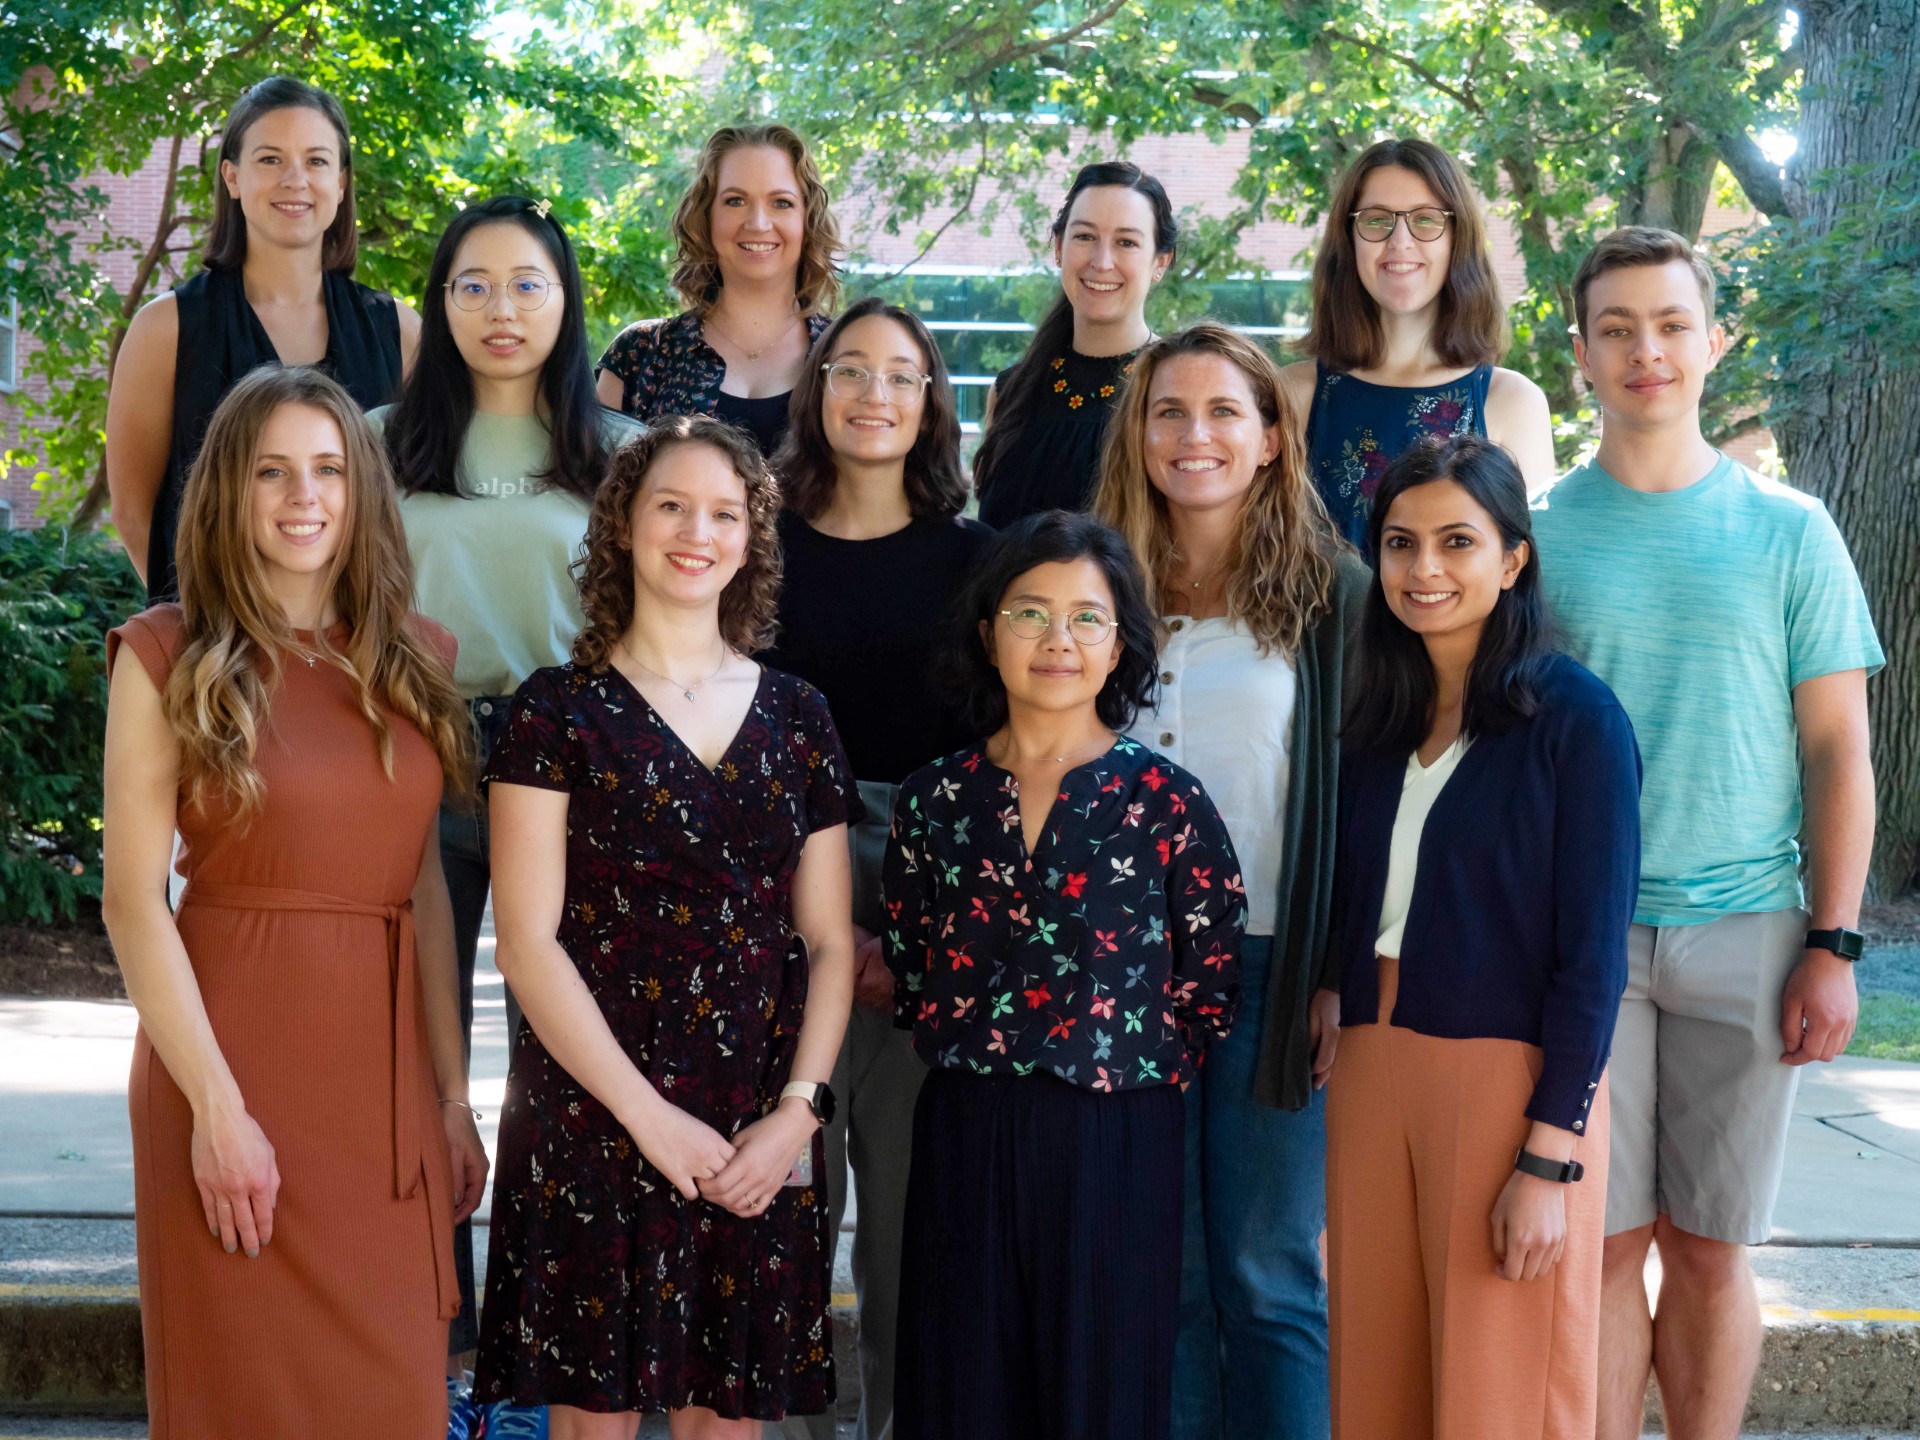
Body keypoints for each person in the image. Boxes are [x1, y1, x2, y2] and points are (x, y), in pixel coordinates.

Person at [1530, 227, 1883, 1440]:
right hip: (1587, 942)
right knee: (1609, 1240)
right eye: (1617, 328)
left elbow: (1840, 750)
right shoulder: (1535, 532)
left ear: (1714, 342)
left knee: (1715, 1246)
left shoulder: (1793, 529)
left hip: (1751, 929)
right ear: (1579, 353)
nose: (1647, 350)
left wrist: (1833, 943)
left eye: (1672, 324)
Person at [99, 365, 486, 1437]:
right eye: (272, 471)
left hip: (386, 1093)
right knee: (242, 1400)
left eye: (326, 469)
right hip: (227, 1072)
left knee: (394, 1398)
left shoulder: (418, 655)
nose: (302, 496)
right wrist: (218, 1112)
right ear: (228, 490)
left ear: (362, 490)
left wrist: (454, 1098)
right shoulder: (166, 652)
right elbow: (132, 901)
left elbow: (425, 893)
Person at [475, 415, 861, 1438]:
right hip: (596, 1114)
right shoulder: (553, 711)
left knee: (726, 1421)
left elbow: (828, 941)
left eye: (725, 513)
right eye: (672, 505)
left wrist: (799, 1115)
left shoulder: (800, 716)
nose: (698, 531)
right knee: (592, 1423)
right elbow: (526, 941)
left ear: (752, 540)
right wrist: (649, 1122)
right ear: (623, 527)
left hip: (755, 1128)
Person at [885, 511, 1246, 1440]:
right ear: (986, 633)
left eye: (1087, 617)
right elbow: (914, 962)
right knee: (964, 1388)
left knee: (1105, 1392)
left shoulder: (1167, 801)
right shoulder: (935, 800)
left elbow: (1209, 983)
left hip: (1117, 1135)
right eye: (1029, 613)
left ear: (1120, 641)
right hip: (968, 1125)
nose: (1058, 641)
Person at [370, 193, 640, 1425]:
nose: (500, 309)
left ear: (567, 302)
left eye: (528, 284)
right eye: (472, 285)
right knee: (417, 1066)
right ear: (439, 303)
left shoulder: (626, 455)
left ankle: (550, 1362)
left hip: (571, 782)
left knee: (566, 1069)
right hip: (410, 769)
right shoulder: (374, 443)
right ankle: (439, 1354)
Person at [1327, 433, 1640, 1439]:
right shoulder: (1380, 715)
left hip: (1506, 1085)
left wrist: (1548, 1162)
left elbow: (1593, 960)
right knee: (1376, 1385)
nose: (1425, 570)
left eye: (1457, 542)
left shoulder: (1577, 722)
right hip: (1372, 1070)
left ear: (1513, 560)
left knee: (1497, 1392)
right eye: (1401, 543)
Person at [1092, 322, 1365, 1440]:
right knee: (1167, 1277)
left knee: (1267, 1271)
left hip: (1265, 966)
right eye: (1169, 411)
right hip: (1122, 974)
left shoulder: (1331, 592)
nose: (1193, 435)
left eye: (1222, 413)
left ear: (1267, 438)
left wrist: (1333, 972)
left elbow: (1362, 802)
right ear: (1139, 433)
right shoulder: (1096, 580)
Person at [762, 296, 993, 1440]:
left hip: (929, 906)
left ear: (931, 403)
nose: (873, 395)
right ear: (815, 393)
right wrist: (810, 930)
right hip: (776, 893)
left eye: (901, 375)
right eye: (849, 371)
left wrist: (914, 934)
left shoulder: (981, 562)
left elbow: (1006, 766)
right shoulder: (755, 546)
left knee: (911, 1228)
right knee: (790, 1216)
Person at [107, 76, 421, 601]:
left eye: (317, 161)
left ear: (341, 183)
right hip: (210, 651)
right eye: (271, 159)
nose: (295, 179)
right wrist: (201, 625)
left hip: (363, 647)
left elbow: (416, 503)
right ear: (232, 176)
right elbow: (133, 511)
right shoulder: (166, 329)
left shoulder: (401, 330)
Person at [1278, 137, 1553, 555]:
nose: (1399, 241)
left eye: (1426, 220)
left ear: (1456, 238)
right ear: (1348, 239)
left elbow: (1525, 580)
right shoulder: (1292, 394)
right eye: (1376, 219)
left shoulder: (1513, 402)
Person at [596, 124, 840, 456]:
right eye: (735, 200)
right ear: (706, 216)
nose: (757, 223)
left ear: (807, 220)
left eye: (781, 203)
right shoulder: (639, 354)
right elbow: (593, 499)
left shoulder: (844, 358)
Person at [972, 162, 1177, 528]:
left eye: (1126, 242)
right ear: (1058, 247)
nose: (1102, 262)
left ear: (1160, 261)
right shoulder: (1010, 392)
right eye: (1085, 237)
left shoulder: (1176, 388)